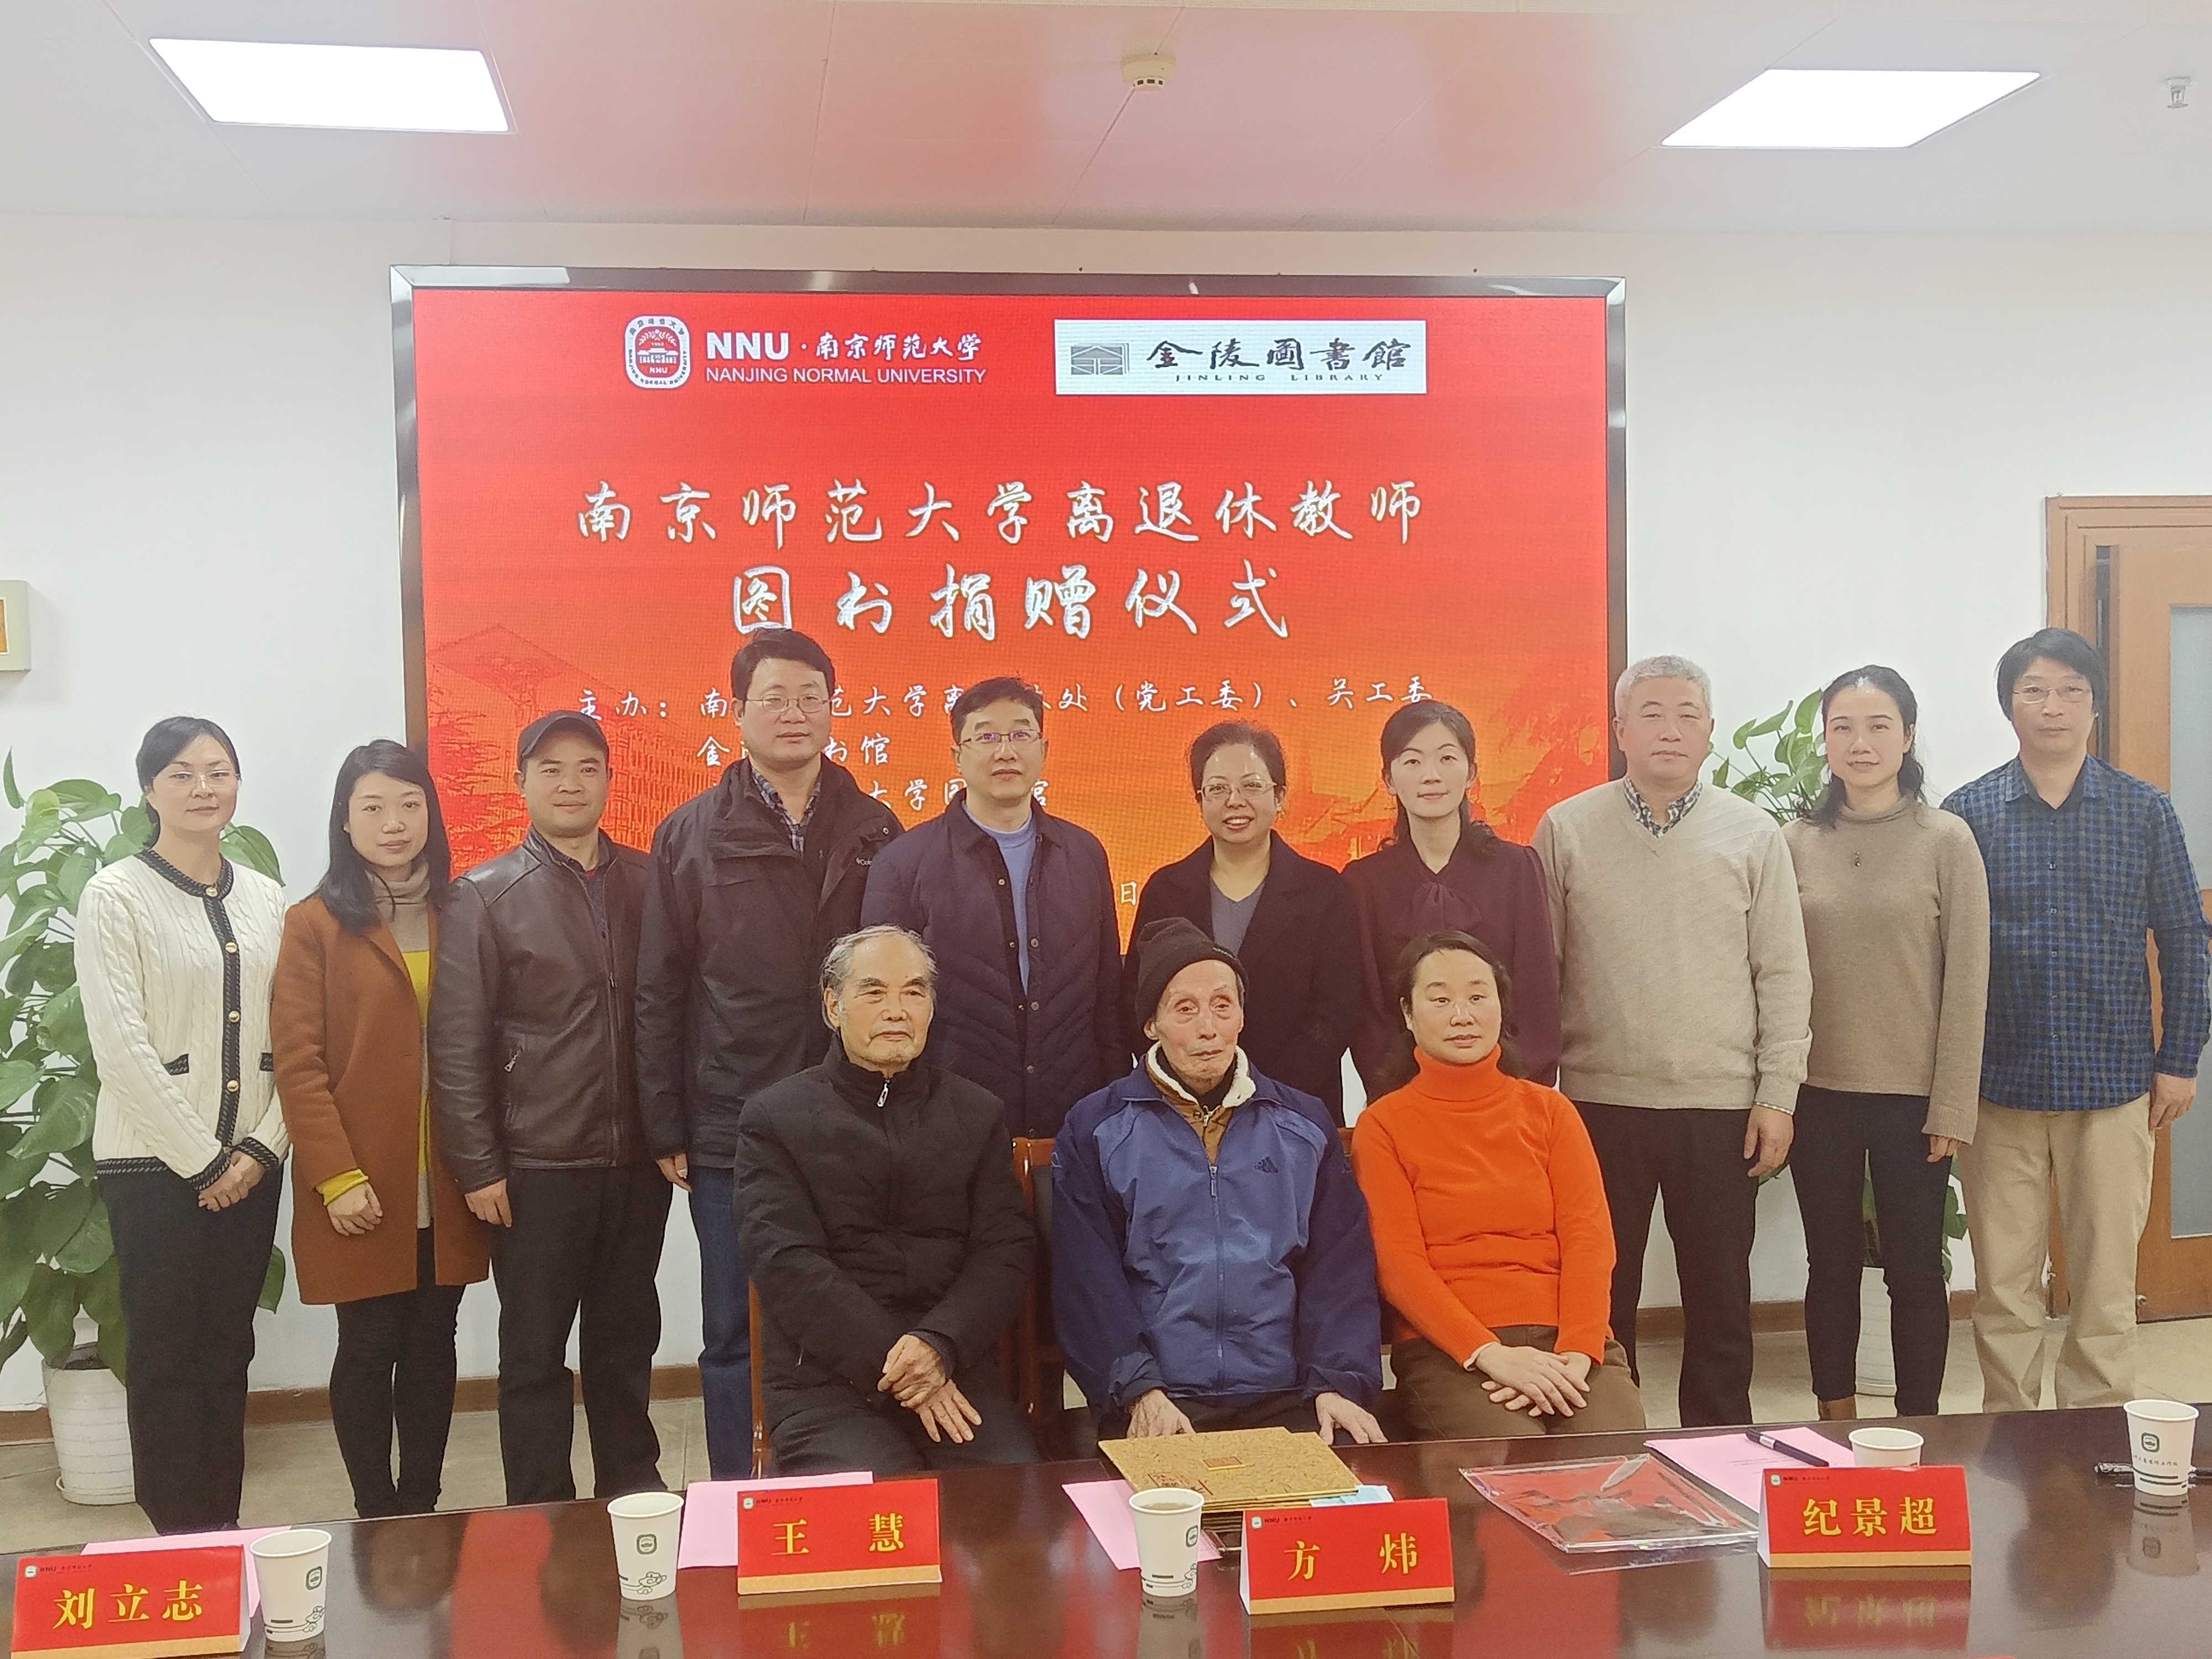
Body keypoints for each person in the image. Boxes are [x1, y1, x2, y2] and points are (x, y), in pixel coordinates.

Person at [634, 628, 901, 1480]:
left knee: (858, 1307)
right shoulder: (688, 835)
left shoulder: (876, 828)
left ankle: (844, 1480)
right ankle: (739, 1493)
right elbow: (659, 989)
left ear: (833, 709)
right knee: (732, 1325)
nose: (794, 714)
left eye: (810, 698)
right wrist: (666, 1122)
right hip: (734, 1121)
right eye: (775, 698)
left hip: (855, 1114)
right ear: (737, 711)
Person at [1532, 655, 1811, 1428]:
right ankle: (1604, 1434)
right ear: (1620, 729)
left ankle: (1719, 1443)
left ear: (1711, 731)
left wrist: (1777, 1096)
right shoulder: (1566, 828)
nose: (1670, 729)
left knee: (1719, 1294)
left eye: (1688, 714)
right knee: (1601, 1293)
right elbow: (1541, 972)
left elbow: (1783, 973)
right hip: (1597, 1103)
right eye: (1651, 713)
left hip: (1719, 1105)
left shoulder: (1753, 834)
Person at [1944, 628, 2211, 1410]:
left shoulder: (2143, 811)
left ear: (2094, 705)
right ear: (2009, 705)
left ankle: (2095, 1435)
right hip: (1999, 1087)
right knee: (2004, 1287)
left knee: (2105, 1287)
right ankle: (2009, 1438)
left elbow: (2185, 938)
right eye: (2034, 690)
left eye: (2070, 690)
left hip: (2114, 1084)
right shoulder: (1968, 814)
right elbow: (1943, 957)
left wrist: (2180, 1059)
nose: (2052, 706)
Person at [429, 711, 667, 1503]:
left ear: (609, 781)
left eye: (588, 768)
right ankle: (540, 1508)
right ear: (521, 783)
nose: (571, 783)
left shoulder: (650, 883)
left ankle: (632, 1488)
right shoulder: (484, 895)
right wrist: (478, 1166)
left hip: (636, 1161)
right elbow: (457, 1042)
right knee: (534, 1352)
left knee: (625, 1339)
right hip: (536, 1164)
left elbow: (672, 1014)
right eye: (552, 769)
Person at [1052, 917, 1385, 1443]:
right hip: (1162, 1399)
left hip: (1292, 1393)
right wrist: (1139, 1390)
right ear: (1151, 1024)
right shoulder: (1097, 1127)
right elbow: (1087, 1278)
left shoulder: (1302, 1124)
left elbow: (1339, 1267)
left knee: (1348, 1481)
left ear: (1242, 1017)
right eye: (1185, 1009)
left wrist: (1335, 1382)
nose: (1208, 1028)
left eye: (1222, 1006)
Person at [77, 716, 290, 1533]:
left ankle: (222, 1532)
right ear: (149, 790)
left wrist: (261, 1148)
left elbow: (296, 1038)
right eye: (182, 773)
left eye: (218, 771)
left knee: (228, 1351)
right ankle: (176, 1541)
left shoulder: (267, 898)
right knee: (166, 1357)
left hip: (254, 1164)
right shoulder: (115, 895)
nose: (204, 788)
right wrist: (205, 1163)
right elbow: (121, 1046)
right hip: (152, 1170)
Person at [273, 740, 490, 1517]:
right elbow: (298, 1063)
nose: (394, 823)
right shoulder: (314, 924)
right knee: (367, 1346)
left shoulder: (464, 911)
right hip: (360, 1177)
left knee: (434, 1342)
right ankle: (376, 1509)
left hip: (449, 1174)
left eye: (408, 804)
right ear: (345, 819)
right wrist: (336, 1177)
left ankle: (421, 1506)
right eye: (373, 807)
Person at [736, 926, 1037, 1474]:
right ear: (833, 1006)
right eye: (873, 992)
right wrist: (901, 1366)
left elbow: (1005, 1250)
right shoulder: (775, 1119)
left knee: (1006, 1496)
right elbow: (787, 1264)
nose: (896, 1011)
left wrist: (938, 1345)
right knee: (883, 1503)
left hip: (953, 1366)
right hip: (826, 1384)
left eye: (914, 992)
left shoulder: (977, 1113)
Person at [1784, 667, 1989, 1421]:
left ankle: (1917, 1427)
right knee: (1830, 1264)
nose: (1860, 743)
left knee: (1915, 1269)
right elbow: (1771, 971)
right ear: (1825, 741)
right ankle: (1835, 1420)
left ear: (1907, 736)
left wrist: (1952, 1104)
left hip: (1913, 1099)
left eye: (1878, 726)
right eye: (1842, 727)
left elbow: (1968, 979)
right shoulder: (1793, 842)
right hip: (1817, 1092)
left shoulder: (1945, 840)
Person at [1351, 930, 1645, 1438]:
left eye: (1477, 996)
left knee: (1611, 1452)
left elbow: (1589, 1239)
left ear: (1501, 1008)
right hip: (1451, 1348)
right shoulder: (1383, 1124)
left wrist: (1577, 1353)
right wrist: (1489, 1353)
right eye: (1440, 999)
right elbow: (1398, 1266)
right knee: (1514, 1455)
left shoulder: (1550, 1110)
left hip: (1567, 1337)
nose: (1462, 1015)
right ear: (1408, 1014)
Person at [862, 676, 1124, 1139]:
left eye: (1021, 734)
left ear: (1043, 749)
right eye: (986, 737)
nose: (1006, 752)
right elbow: (882, 1010)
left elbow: (1107, 999)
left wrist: (1116, 1109)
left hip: (1075, 1123)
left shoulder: (1084, 854)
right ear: (957, 756)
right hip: (948, 1126)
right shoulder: (903, 864)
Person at [1125, 721, 1359, 1115]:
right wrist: (1191, 1082)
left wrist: (1261, 1093)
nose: (1234, 801)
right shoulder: (1167, 890)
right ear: (1200, 800)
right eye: (1217, 789)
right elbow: (1138, 1001)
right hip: (1184, 1111)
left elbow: (1338, 1012)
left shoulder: (1325, 891)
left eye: (1251, 786)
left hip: (1295, 1109)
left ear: (1279, 796)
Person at [1344, 700, 1562, 1090]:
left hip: (1507, 1093)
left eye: (1447, 758)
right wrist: (1400, 1093)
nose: (1431, 775)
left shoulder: (1517, 868)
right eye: (1413, 761)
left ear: (1471, 773)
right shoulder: (1363, 883)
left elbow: (1537, 996)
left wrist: (1517, 1091)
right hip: (1404, 1096)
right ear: (1389, 779)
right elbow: (1368, 1013)